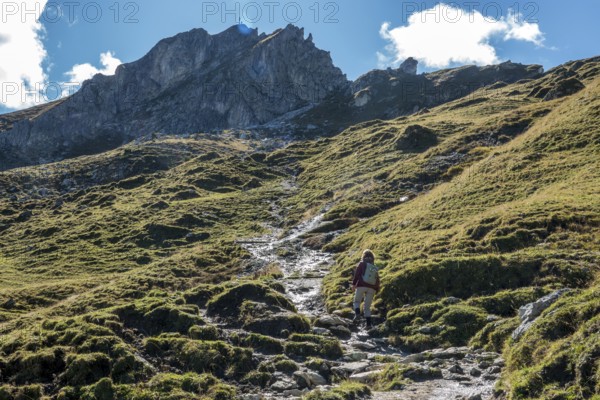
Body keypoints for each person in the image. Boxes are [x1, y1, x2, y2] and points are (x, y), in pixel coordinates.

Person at [352, 249, 380, 328]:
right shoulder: (374, 267)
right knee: (367, 307)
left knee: (357, 301)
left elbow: (357, 275)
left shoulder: (361, 264)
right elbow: (377, 279)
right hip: (372, 288)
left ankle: (357, 314)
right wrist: (377, 289)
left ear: (363, 256)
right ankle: (368, 325)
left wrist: (354, 284)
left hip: (361, 285)